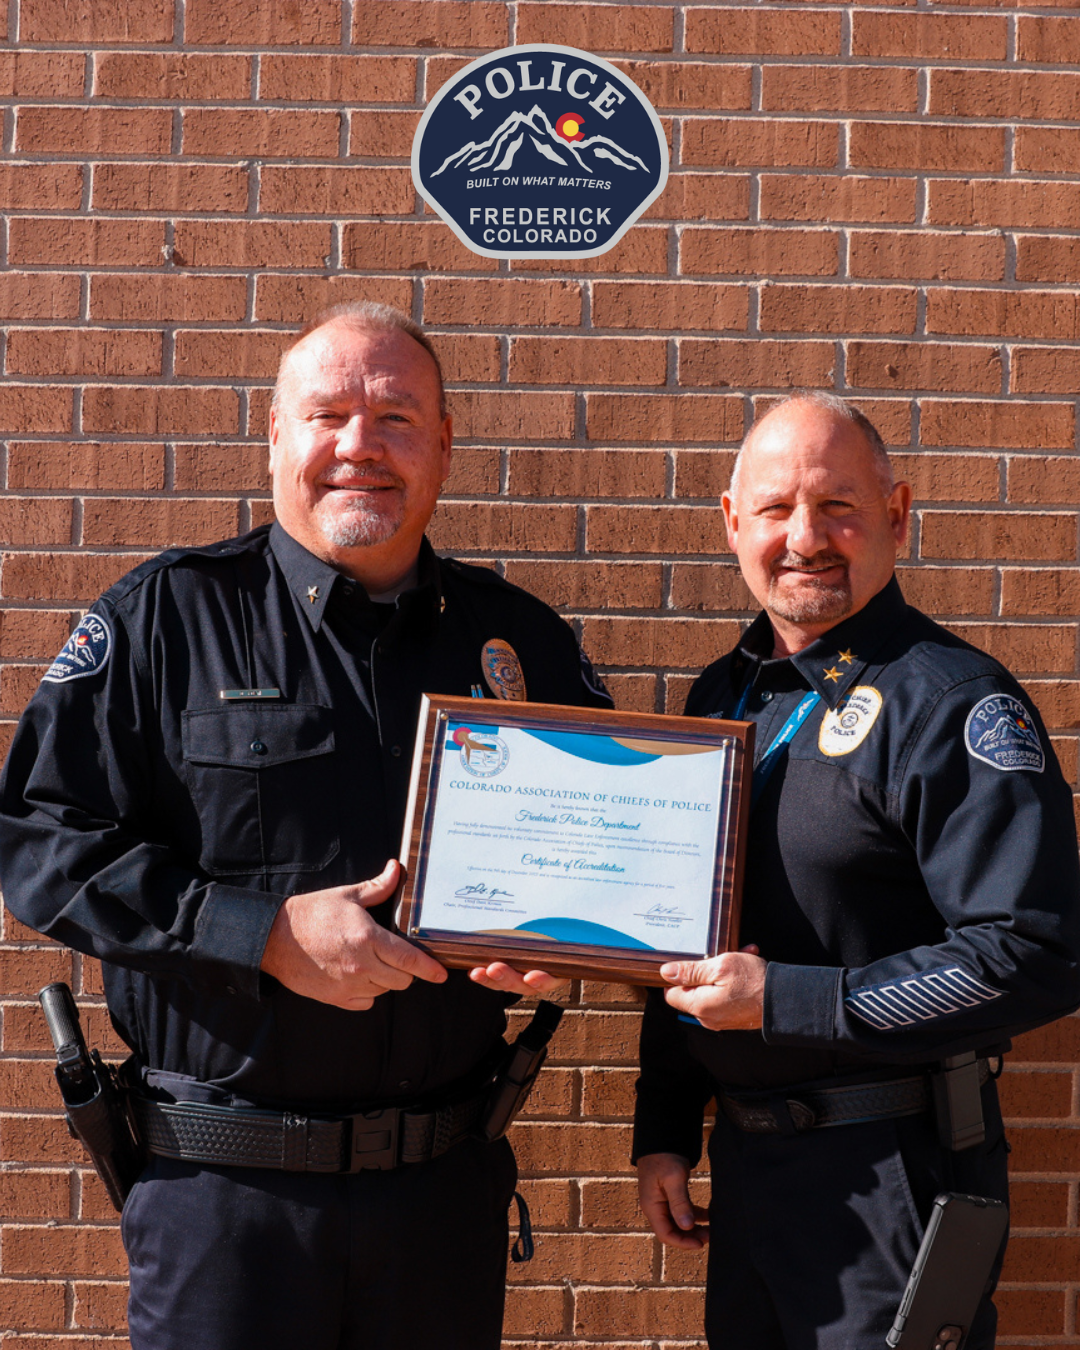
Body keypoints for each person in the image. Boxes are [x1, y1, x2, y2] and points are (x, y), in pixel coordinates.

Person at [0, 303, 612, 1350]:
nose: (360, 446)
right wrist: (264, 936)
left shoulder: (521, 643)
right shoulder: (165, 621)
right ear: (277, 435)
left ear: (444, 446)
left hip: (438, 1202)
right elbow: (39, 844)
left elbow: (603, 853)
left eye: (397, 418)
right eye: (328, 415)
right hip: (225, 1205)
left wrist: (573, 942)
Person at [633, 391, 1080, 1350]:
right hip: (748, 1173)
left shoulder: (954, 704)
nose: (806, 537)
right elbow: (681, 924)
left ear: (897, 514)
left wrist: (789, 1001)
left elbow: (1034, 954)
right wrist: (665, 1127)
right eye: (776, 508)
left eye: (838, 505)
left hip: (894, 1175)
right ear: (732, 523)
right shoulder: (722, 698)